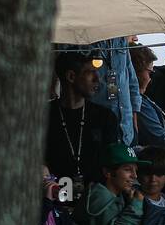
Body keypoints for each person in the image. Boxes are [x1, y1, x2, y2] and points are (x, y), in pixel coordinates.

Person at [45, 51, 121, 192]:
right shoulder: (45, 116)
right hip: (55, 199)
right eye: (90, 72)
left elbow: (113, 162)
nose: (97, 78)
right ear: (71, 77)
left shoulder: (104, 117)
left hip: (96, 201)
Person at [88, 36, 142, 146]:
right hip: (98, 125)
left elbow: (132, 81)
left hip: (126, 128)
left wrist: (134, 121)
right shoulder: (84, 41)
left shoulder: (120, 38)